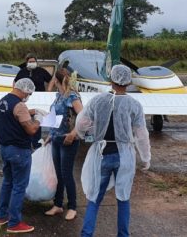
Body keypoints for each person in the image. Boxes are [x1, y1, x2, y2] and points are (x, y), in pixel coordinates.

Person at [75, 64, 151, 237]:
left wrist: (89, 133)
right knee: (123, 198)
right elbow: (141, 133)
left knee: (94, 197)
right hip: (124, 156)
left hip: (101, 154)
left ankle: (86, 234)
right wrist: (145, 157)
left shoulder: (97, 100)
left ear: (110, 80)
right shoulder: (134, 105)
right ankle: (123, 234)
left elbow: (81, 123)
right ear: (129, 82)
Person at [0, 78, 41, 234]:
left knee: (8, 182)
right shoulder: (20, 105)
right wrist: (39, 120)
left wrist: (31, 111)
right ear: (24, 90)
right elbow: (31, 130)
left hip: (5, 148)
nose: (28, 96)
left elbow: (13, 116)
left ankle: (1, 216)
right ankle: (14, 223)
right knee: (19, 186)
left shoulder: (3, 101)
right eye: (29, 93)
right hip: (19, 151)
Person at [44, 69, 84, 221]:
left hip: (68, 140)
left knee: (66, 174)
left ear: (56, 80)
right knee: (58, 174)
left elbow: (83, 116)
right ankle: (58, 205)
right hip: (56, 139)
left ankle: (72, 207)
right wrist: (50, 135)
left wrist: (73, 134)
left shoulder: (72, 96)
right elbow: (56, 117)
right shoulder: (59, 96)